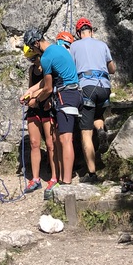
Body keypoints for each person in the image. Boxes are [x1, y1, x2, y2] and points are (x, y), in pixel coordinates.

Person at [21, 27, 81, 188]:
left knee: (65, 139)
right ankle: (63, 179)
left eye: (33, 49)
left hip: (65, 95)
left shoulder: (46, 57)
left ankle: (66, 182)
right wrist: (30, 91)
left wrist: (36, 100)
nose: (34, 53)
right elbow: (45, 82)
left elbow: (47, 88)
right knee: (62, 139)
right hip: (74, 92)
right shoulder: (57, 48)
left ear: (36, 43)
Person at [70, 17, 116, 182]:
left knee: (85, 133)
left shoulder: (74, 46)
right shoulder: (102, 45)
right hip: (104, 86)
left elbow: (70, 69)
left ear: (78, 33)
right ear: (91, 31)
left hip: (87, 87)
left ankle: (91, 174)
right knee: (98, 115)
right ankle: (101, 130)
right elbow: (112, 69)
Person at [21, 46, 56, 194]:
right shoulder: (32, 70)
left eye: (35, 58)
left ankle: (54, 177)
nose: (34, 61)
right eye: (30, 59)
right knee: (34, 143)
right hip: (34, 108)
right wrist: (27, 97)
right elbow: (31, 87)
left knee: (50, 143)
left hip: (47, 106)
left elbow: (49, 86)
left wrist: (35, 97)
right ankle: (35, 179)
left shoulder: (48, 67)